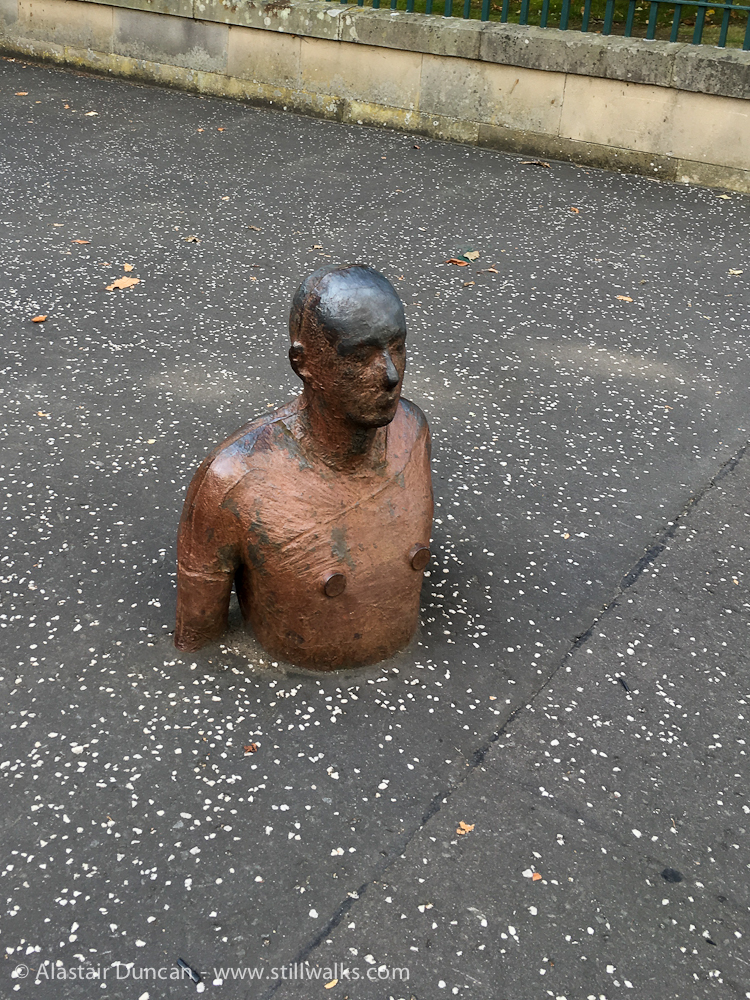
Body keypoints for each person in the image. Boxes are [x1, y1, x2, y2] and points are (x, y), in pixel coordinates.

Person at [174, 264, 433, 670]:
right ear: (304, 363)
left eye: (397, 346)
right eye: (361, 356)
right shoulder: (234, 478)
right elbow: (199, 633)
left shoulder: (412, 433)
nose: (390, 374)